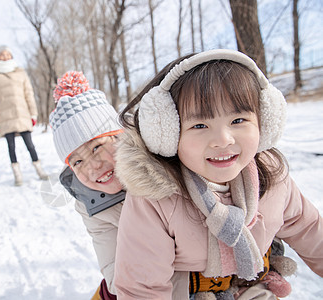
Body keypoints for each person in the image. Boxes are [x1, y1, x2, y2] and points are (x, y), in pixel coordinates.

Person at [113, 49, 323, 299]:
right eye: (200, 125)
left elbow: (310, 230)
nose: (223, 140)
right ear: (168, 135)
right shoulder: (155, 198)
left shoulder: (274, 180)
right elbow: (142, 288)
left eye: (238, 120)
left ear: (264, 121)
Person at [49, 71, 125, 299]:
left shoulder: (160, 165)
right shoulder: (89, 203)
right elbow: (115, 274)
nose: (93, 167)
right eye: (78, 161)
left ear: (119, 138)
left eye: (96, 147)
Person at [0, 45, 48, 185]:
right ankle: (17, 175)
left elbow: (29, 93)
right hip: (5, 116)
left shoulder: (21, 72)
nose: (5, 56)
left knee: (30, 145)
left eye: (8, 54)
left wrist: (33, 113)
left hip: (22, 114)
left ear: (12, 56)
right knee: (11, 146)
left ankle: (39, 169)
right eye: (2, 54)